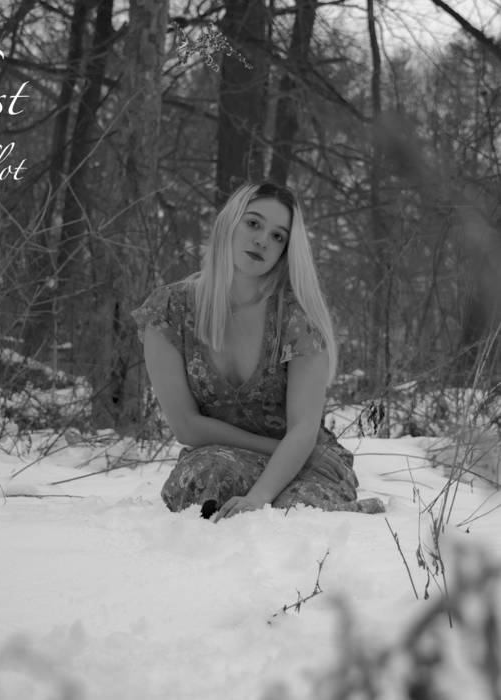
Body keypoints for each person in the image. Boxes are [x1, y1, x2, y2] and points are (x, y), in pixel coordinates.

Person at [131, 182, 384, 521]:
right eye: (253, 223)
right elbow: (187, 427)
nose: (263, 240)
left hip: (301, 460)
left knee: (294, 513)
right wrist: (270, 450)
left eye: (278, 236)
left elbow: (302, 430)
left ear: (285, 251)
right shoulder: (169, 312)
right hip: (222, 456)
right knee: (207, 479)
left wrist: (259, 497)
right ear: (228, 223)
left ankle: (354, 516)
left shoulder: (296, 318)